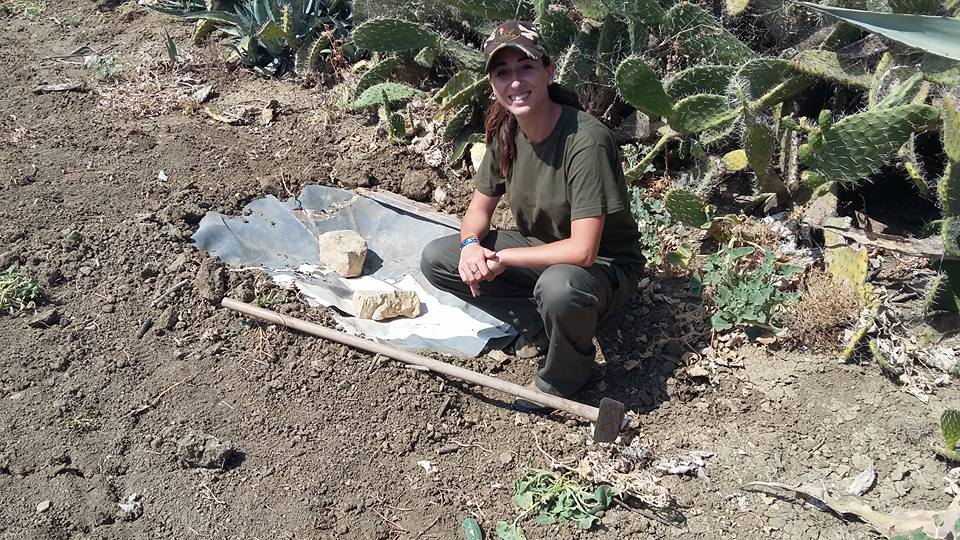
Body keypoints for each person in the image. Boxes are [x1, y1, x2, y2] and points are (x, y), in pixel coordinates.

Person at [420, 20, 644, 411]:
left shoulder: (585, 141)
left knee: (559, 288)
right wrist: (472, 247)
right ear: (492, 84)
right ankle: (543, 325)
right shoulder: (506, 131)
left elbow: (583, 252)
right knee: (439, 259)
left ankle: (565, 377)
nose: (515, 82)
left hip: (603, 269)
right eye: (502, 72)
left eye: (525, 67)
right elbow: (477, 209)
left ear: (548, 69)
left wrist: (501, 258)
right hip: (539, 250)